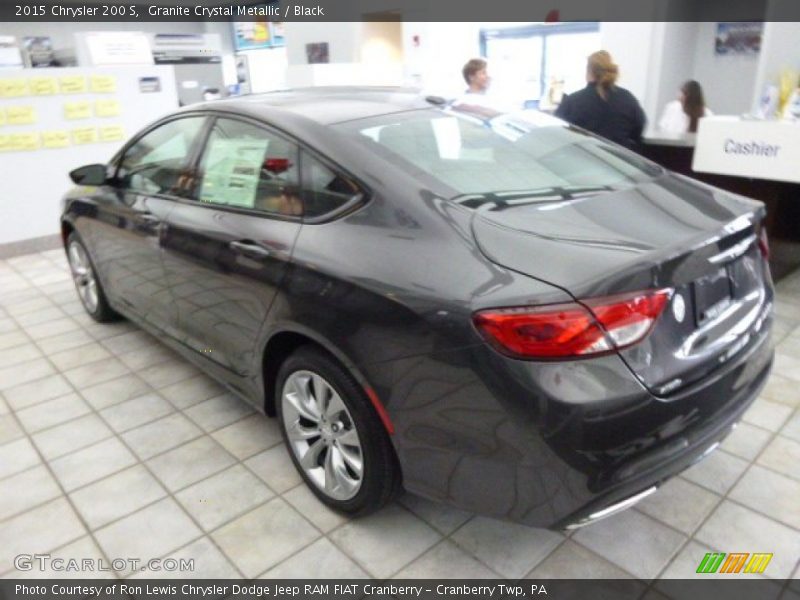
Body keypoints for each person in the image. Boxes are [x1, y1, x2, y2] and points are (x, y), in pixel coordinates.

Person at [555, 50, 646, 150]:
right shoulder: (627, 98)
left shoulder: (573, 101)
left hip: (583, 159)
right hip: (620, 161)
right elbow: (639, 126)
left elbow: (557, 130)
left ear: (589, 72)